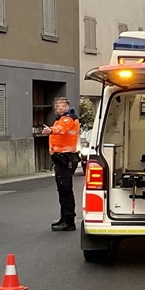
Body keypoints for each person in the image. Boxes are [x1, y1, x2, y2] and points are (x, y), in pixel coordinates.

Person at [44, 97, 81, 232]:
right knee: (64, 191)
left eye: (60, 106)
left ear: (67, 106)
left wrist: (51, 130)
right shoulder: (64, 118)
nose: (57, 108)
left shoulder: (68, 118)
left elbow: (61, 129)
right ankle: (65, 218)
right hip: (64, 158)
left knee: (65, 191)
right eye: (55, 107)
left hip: (65, 158)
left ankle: (69, 221)